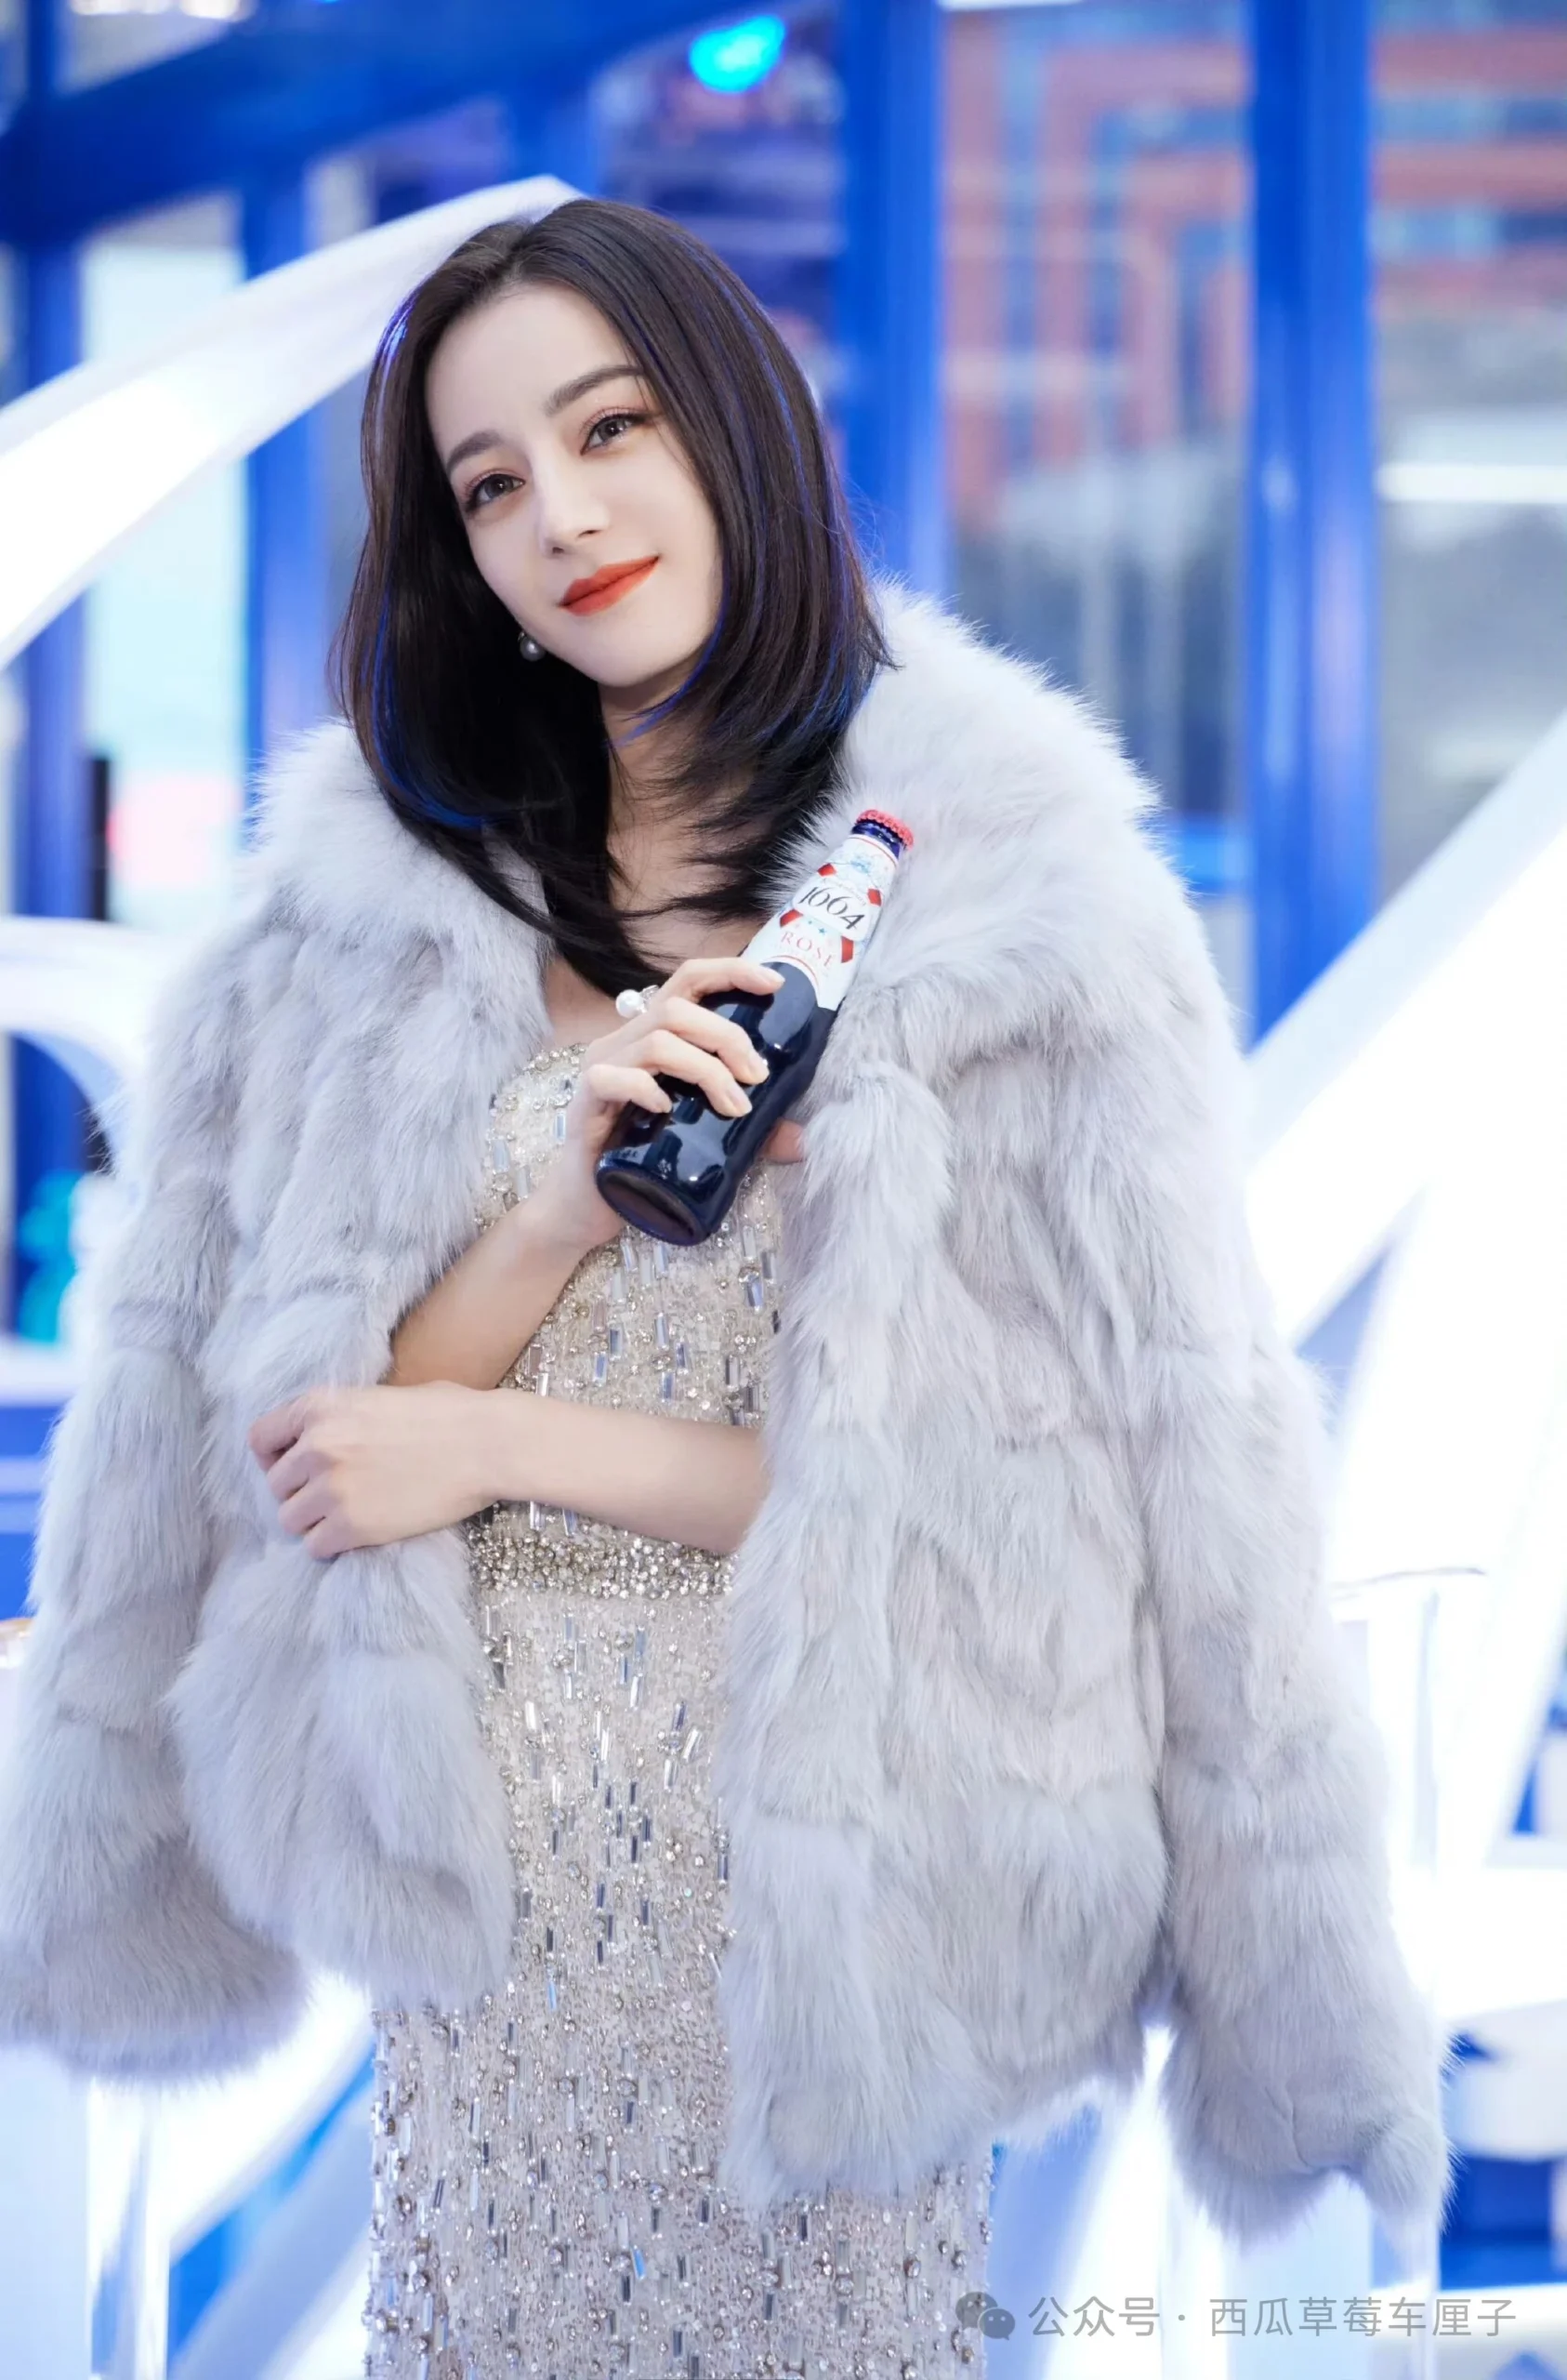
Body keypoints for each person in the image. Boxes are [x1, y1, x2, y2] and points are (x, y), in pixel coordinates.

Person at [0, 198, 1449, 2380]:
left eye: (611, 430)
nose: (563, 518)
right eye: (493, 483)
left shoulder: (1020, 916)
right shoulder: (363, 930)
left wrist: (504, 1439)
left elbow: (1008, 1508)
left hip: (837, 1918)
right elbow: (330, 1455)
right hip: (495, 1951)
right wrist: (554, 1215)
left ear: (736, 429)